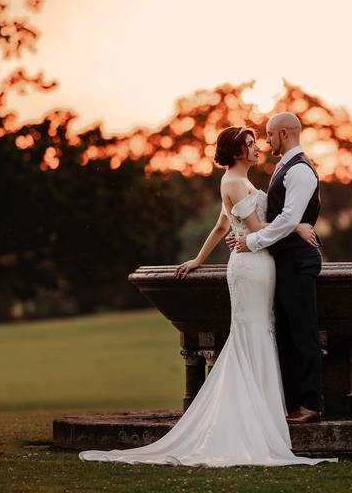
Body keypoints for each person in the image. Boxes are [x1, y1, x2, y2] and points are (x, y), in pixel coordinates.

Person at [78, 125, 336, 467]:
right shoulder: (232, 181)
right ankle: (254, 416)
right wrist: (297, 225)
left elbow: (221, 226)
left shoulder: (237, 180)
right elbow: (259, 230)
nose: (258, 146)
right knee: (254, 332)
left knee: (261, 331)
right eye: (250, 143)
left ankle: (261, 408)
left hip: (257, 263)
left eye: (258, 141)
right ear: (236, 151)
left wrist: (199, 259)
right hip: (251, 266)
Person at [227, 112, 325, 424]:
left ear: (283, 133)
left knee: (303, 331)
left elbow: (287, 218)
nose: (266, 141)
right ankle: (294, 402)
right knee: (288, 331)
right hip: (285, 260)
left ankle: (310, 405)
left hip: (298, 261)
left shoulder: (300, 172)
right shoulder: (285, 167)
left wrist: (253, 241)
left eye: (269, 135)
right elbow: (286, 218)